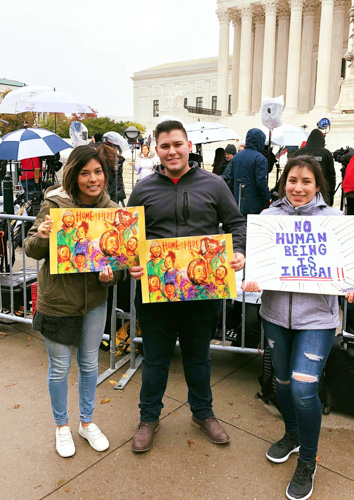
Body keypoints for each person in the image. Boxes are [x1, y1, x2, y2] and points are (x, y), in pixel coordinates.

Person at [243, 156, 354, 500]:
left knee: (302, 388)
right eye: (292, 180)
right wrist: (251, 278)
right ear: (284, 183)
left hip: (318, 320)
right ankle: (292, 434)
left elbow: (349, 269)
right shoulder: (268, 219)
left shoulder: (335, 220)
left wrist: (352, 287)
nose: (298, 188)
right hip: (275, 316)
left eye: (306, 181)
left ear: (318, 185)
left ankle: (307, 461)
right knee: (281, 383)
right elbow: (258, 263)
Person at [128, 120, 246, 453]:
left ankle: (202, 413)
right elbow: (131, 239)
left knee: (198, 357)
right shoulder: (144, 188)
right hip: (156, 292)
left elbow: (237, 224)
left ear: (188, 145)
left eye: (177, 144)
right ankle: (148, 417)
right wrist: (133, 263)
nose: (172, 151)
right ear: (157, 149)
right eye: (165, 146)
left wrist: (238, 250)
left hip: (201, 291)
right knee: (155, 359)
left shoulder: (215, 184)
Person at [24, 145, 120, 458]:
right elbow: (30, 248)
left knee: (90, 364)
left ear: (105, 174)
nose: (93, 179)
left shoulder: (113, 212)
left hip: (94, 300)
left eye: (98, 171)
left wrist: (111, 277)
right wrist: (43, 235)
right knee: (59, 368)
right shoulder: (56, 204)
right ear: (73, 175)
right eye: (85, 172)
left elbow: (118, 263)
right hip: (58, 300)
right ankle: (61, 427)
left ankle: (87, 422)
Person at [228, 128, 271, 216]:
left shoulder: (236, 157)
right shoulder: (260, 158)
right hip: (254, 203)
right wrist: (267, 197)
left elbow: (230, 177)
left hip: (238, 200)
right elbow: (261, 181)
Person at [293, 129, 336, 206]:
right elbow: (331, 175)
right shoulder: (326, 153)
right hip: (322, 189)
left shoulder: (300, 152)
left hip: (302, 188)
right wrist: (331, 193)